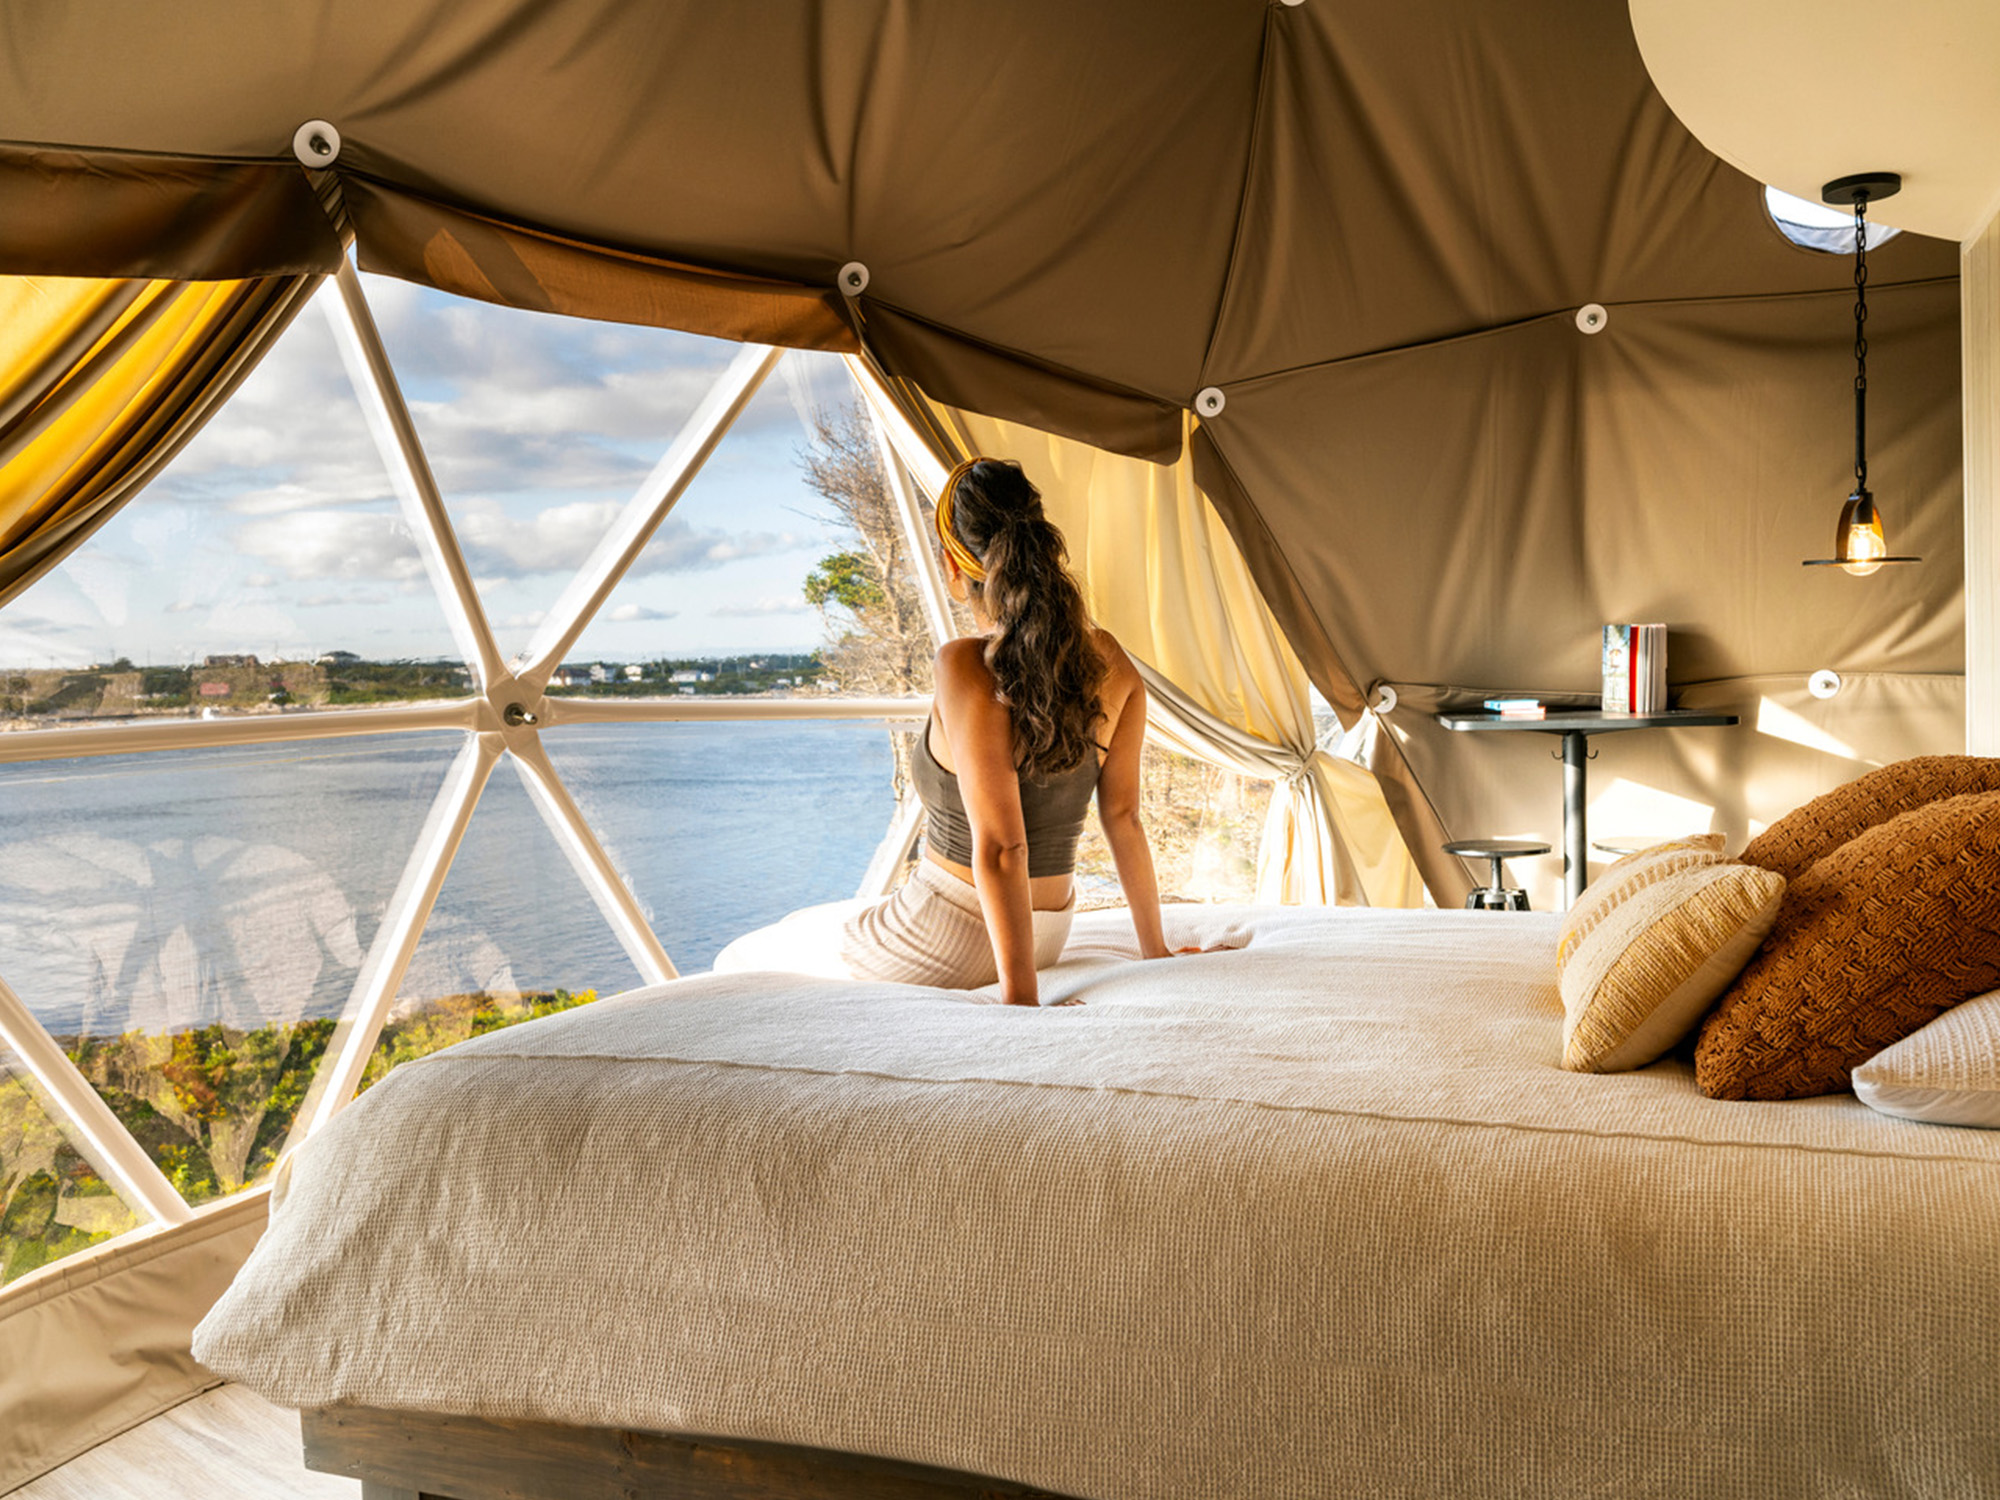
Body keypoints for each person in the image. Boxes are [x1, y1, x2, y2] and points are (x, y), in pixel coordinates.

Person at [838, 456, 1170, 1004]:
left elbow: (1002, 847)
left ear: (951, 565)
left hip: (953, 935)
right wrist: (1153, 949)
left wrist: (1020, 1003)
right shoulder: (1108, 658)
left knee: (794, 946)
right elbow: (1124, 816)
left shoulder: (963, 665)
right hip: (1048, 936)